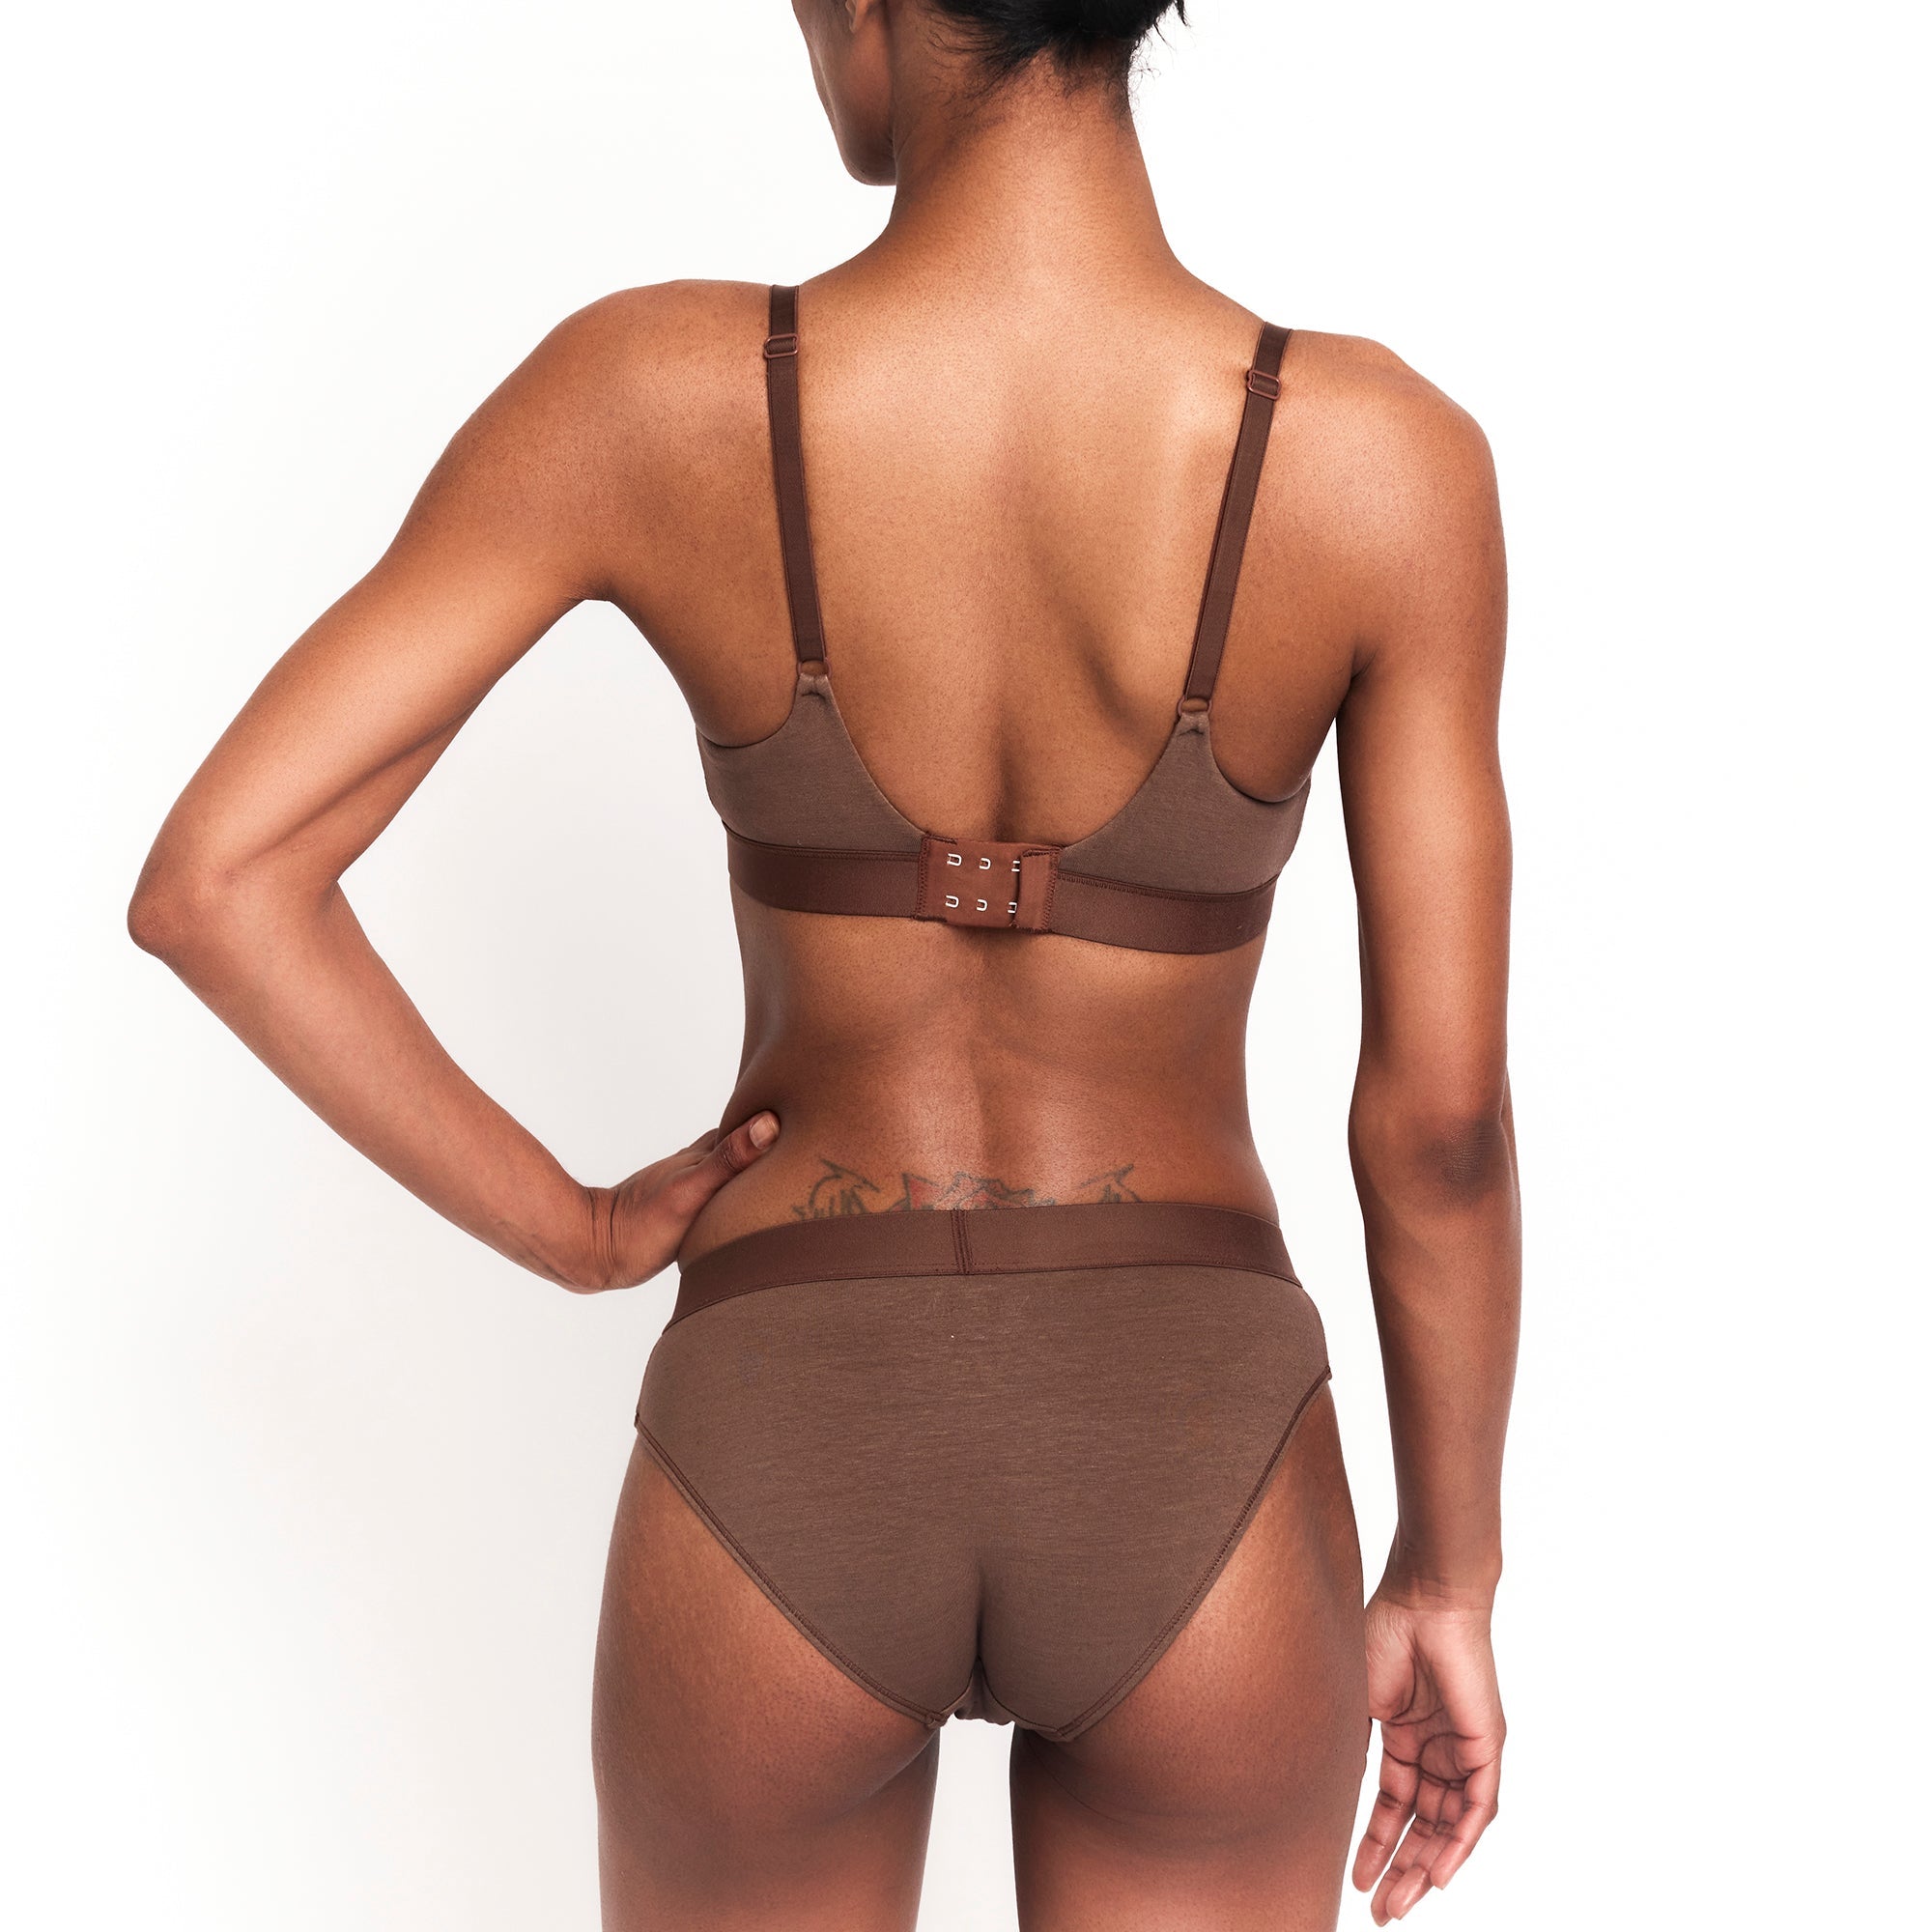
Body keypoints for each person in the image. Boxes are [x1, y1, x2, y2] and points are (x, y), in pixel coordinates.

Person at [128, 1, 1519, 1925]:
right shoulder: (1379, 461)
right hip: (1193, 1436)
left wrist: (577, 1227)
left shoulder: (652, 395)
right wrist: (1447, 1573)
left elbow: (222, 878)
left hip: (782, 1414)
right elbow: (1438, 1129)